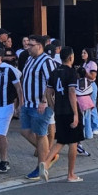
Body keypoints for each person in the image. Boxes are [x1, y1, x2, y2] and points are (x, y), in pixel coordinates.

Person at [39, 47, 84, 183]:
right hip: (69, 110)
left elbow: (47, 92)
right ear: (71, 57)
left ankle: (46, 163)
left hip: (59, 110)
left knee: (61, 140)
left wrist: (53, 106)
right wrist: (76, 113)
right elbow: (71, 92)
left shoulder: (54, 72)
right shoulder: (71, 72)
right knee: (73, 141)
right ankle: (71, 174)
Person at [20, 35, 57, 181]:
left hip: (40, 104)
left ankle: (41, 167)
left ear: (40, 46)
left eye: (31, 45)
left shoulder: (47, 61)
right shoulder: (30, 59)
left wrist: (43, 100)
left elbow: (52, 82)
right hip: (28, 103)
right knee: (24, 131)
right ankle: (49, 154)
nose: (28, 47)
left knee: (41, 134)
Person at [79, 48, 98, 138]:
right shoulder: (84, 64)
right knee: (85, 107)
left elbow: (92, 76)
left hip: (91, 85)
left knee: (92, 106)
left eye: (84, 53)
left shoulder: (92, 64)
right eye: (82, 52)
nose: (82, 54)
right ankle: (88, 128)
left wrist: (84, 72)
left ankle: (95, 126)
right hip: (84, 86)